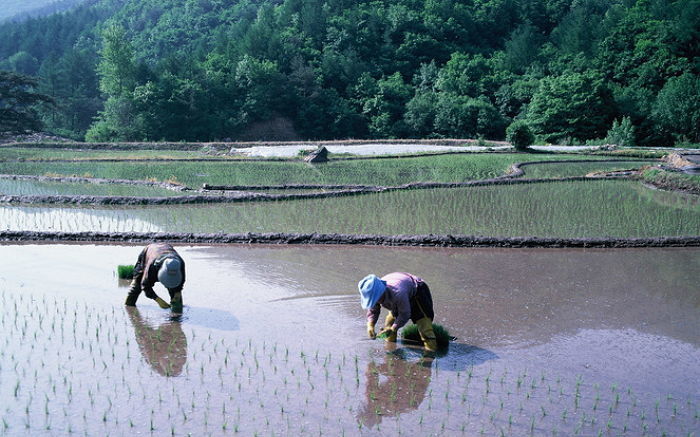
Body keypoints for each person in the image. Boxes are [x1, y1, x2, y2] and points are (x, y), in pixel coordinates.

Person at [358, 272, 437, 352]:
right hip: (400, 291)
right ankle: (390, 348)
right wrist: (370, 325)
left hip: (417, 291)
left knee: (424, 326)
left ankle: (430, 353)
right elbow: (373, 310)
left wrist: (394, 328)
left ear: (381, 293)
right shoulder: (374, 292)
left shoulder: (398, 293)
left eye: (374, 299)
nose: (374, 302)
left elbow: (405, 314)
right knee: (389, 323)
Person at [125, 243, 185, 312]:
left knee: (176, 295)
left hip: (166, 251)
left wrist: (177, 293)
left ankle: (177, 316)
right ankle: (129, 307)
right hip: (149, 251)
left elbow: (181, 282)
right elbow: (145, 286)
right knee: (136, 285)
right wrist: (158, 300)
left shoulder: (180, 264)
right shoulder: (152, 267)